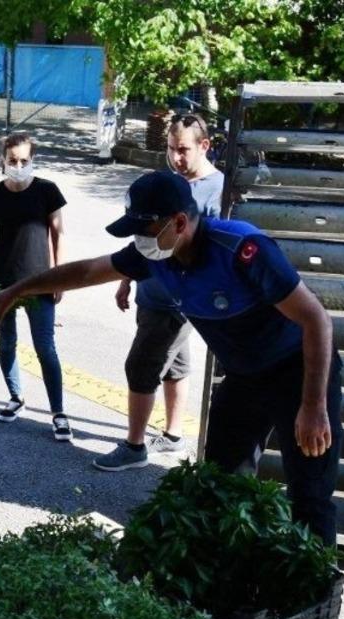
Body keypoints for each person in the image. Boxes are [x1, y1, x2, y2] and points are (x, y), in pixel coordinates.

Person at [0, 170, 341, 546]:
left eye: (145, 229)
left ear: (181, 222)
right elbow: (87, 271)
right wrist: (14, 292)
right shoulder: (155, 255)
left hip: (300, 371)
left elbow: (317, 320)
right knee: (220, 484)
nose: (140, 241)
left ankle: (317, 593)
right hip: (244, 376)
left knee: (310, 495)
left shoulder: (242, 250)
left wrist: (313, 405)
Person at [95, 114, 225, 471]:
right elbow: (142, 241)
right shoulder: (168, 181)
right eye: (170, 149)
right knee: (176, 367)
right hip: (152, 295)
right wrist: (126, 279)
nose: (176, 158)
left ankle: (134, 447)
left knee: (141, 367)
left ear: (205, 146)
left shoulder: (218, 190)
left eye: (183, 150)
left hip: (175, 304)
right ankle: (172, 435)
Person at [0, 133, 70, 440]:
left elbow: (59, 235)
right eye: (12, 160)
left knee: (45, 348)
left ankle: (58, 412)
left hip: (40, 282)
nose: (18, 166)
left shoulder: (47, 191)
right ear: (2, 159)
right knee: (6, 342)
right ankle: (16, 397)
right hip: (2, 282)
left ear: (33, 160)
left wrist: (59, 276)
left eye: (24, 161)